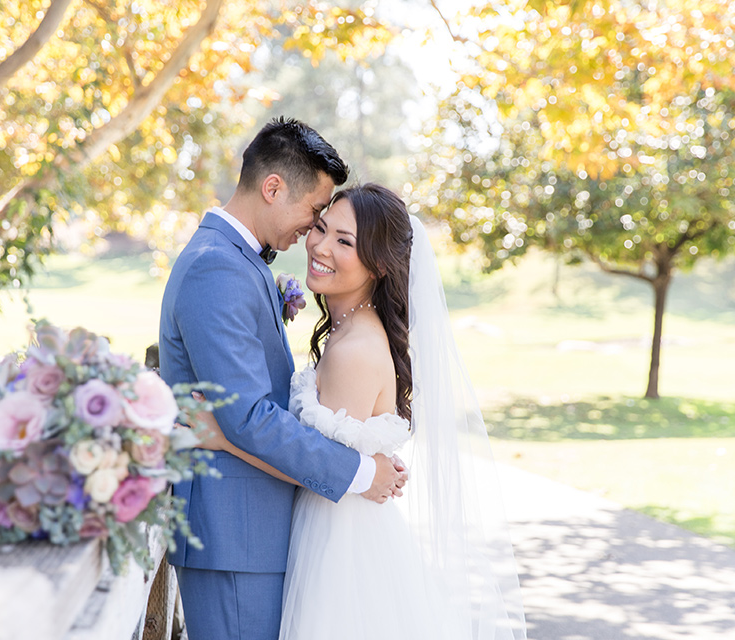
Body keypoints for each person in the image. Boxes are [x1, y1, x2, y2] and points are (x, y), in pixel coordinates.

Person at [197, 184, 527, 639]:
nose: (320, 245)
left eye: (344, 241)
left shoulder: (354, 348)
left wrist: (219, 434)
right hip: (336, 525)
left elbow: (310, 463)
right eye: (320, 228)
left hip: (340, 544)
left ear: (378, 264)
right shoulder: (349, 331)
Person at [158, 119, 406, 640]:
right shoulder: (217, 268)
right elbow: (246, 416)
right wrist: (361, 472)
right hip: (235, 534)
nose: (312, 232)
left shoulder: (235, 261)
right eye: (316, 214)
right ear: (273, 188)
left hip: (253, 534)